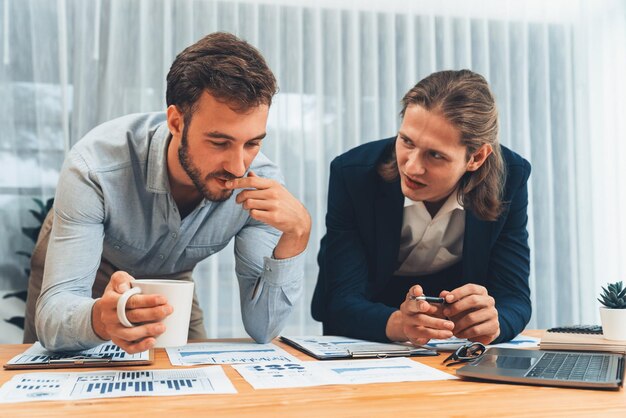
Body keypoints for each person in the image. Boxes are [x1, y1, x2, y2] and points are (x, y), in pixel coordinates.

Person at [24, 32, 311, 353]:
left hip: (172, 275)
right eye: (219, 142)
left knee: (191, 379)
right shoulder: (95, 167)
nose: (237, 166)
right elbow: (51, 319)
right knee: (59, 372)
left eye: (253, 143)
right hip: (89, 272)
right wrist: (100, 319)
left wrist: (296, 236)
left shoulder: (262, 186)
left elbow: (263, 328)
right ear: (176, 122)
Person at [312, 69, 531, 346]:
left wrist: (495, 322)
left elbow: (515, 297)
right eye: (406, 142)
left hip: (451, 345)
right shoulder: (353, 174)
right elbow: (340, 301)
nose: (412, 167)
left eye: (436, 154)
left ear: (476, 157)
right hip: (370, 330)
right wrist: (400, 325)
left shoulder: (510, 176)